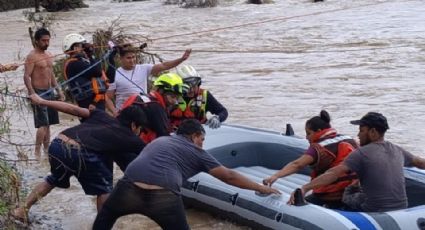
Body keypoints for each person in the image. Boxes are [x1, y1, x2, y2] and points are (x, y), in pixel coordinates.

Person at [92, 119, 280, 230]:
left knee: (106, 215)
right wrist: (261, 188)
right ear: (194, 136)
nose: (203, 144)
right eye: (202, 139)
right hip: (163, 196)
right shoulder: (197, 152)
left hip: (129, 188)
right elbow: (229, 176)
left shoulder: (161, 141)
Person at [12, 93, 146, 222]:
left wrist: (42, 101)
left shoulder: (102, 115)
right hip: (81, 152)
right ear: (134, 125)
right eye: (140, 129)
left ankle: (22, 210)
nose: (139, 132)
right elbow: (152, 154)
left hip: (58, 144)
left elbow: (73, 109)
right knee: (105, 189)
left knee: (52, 180)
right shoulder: (131, 138)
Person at [288, 112, 425, 212]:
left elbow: (333, 173)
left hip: (373, 209)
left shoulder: (361, 153)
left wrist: (305, 188)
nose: (358, 135)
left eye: (361, 131)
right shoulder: (397, 149)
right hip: (402, 207)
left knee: (347, 195)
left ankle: (338, 210)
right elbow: (420, 162)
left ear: (373, 132)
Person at [263, 110, 358, 208]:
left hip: (330, 195)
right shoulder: (348, 139)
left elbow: (297, 164)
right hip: (351, 191)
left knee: (294, 204)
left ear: (318, 131)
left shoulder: (318, 147)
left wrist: (275, 176)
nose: (306, 137)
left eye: (308, 133)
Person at [106, 44, 191, 113]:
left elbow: (164, 66)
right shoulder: (115, 74)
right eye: (128, 58)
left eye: (133, 57)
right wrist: (114, 112)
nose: (132, 60)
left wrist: (182, 59)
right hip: (124, 111)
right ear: (120, 59)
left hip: (143, 110)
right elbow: (108, 97)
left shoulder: (143, 68)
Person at [23, 27, 65, 159]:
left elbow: (51, 74)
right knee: (43, 124)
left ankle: (47, 151)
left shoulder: (49, 55)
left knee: (49, 123)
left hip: (50, 92)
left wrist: (59, 90)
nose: (46, 43)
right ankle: (37, 153)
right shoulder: (32, 56)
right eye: (43, 40)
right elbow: (26, 76)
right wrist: (32, 93)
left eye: (48, 40)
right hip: (38, 92)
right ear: (36, 41)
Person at [120, 72, 185, 143]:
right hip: (138, 145)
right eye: (172, 97)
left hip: (123, 136)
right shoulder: (156, 107)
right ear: (161, 91)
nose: (174, 101)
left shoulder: (142, 98)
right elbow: (165, 136)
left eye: (177, 98)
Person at [62, 33, 116, 114]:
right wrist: (91, 55)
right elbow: (97, 72)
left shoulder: (85, 63)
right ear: (75, 48)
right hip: (88, 104)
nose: (84, 48)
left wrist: (111, 58)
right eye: (82, 46)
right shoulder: (73, 64)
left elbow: (110, 79)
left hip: (97, 102)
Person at [171, 65, 228, 129]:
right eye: (187, 88)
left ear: (198, 84)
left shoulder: (204, 95)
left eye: (194, 86)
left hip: (198, 135)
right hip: (175, 134)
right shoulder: (171, 96)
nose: (191, 90)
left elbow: (223, 111)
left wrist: (217, 118)